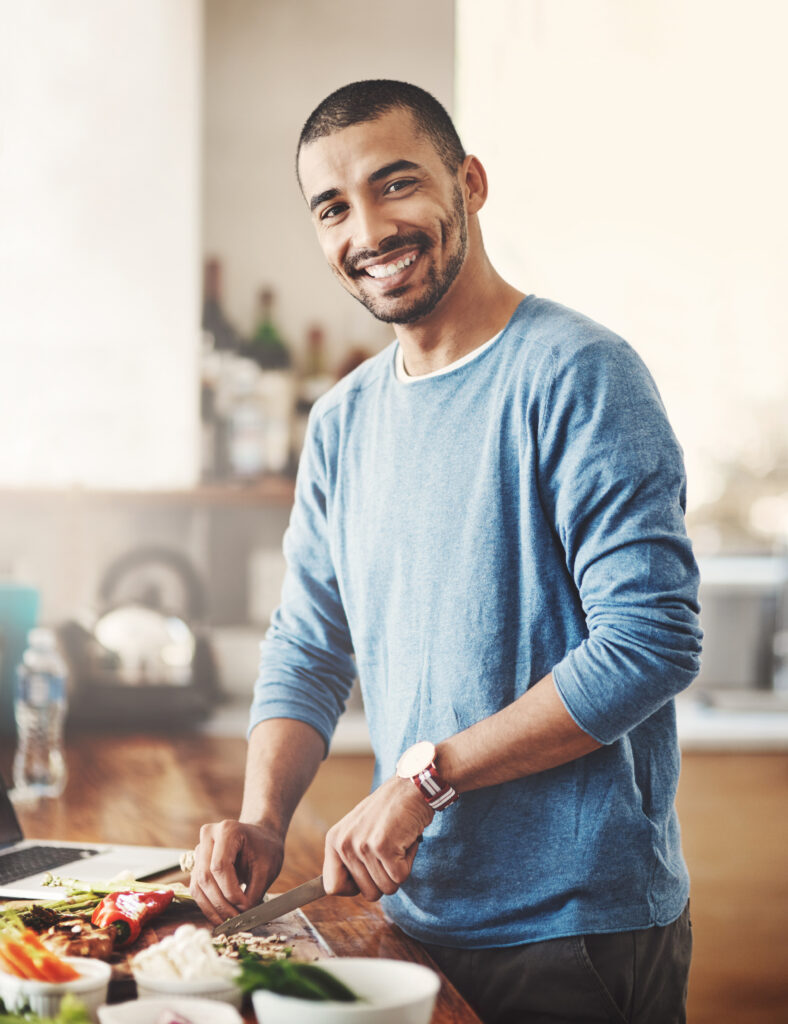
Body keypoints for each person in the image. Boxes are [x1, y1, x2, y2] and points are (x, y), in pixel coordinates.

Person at [191, 80, 702, 1023]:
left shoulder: (579, 374)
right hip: (411, 915)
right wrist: (264, 818)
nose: (369, 230)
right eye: (333, 207)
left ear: (469, 183)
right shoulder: (342, 421)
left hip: (574, 935)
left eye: (396, 184)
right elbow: (308, 647)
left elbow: (650, 642)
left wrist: (428, 778)